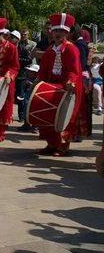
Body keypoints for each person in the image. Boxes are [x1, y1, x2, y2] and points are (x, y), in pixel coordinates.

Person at [37, 13, 82, 156]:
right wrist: (39, 82)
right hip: (51, 88)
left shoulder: (71, 49)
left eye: (61, 31)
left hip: (66, 88)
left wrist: (70, 82)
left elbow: (74, 70)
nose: (57, 34)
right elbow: (44, 70)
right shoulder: (50, 50)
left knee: (65, 118)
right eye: (56, 31)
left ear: (67, 33)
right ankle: (51, 144)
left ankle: (62, 146)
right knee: (49, 116)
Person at [71, 25, 91, 141]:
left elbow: (82, 63)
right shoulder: (81, 43)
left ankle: (78, 133)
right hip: (82, 76)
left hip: (81, 77)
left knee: (79, 106)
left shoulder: (79, 44)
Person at [19, 64, 40, 133]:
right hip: (27, 96)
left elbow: (38, 88)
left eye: (32, 72)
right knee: (25, 109)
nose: (30, 73)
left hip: (35, 97)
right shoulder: (27, 79)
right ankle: (26, 125)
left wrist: (31, 84)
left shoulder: (38, 80)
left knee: (34, 110)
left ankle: (35, 126)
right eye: (30, 71)